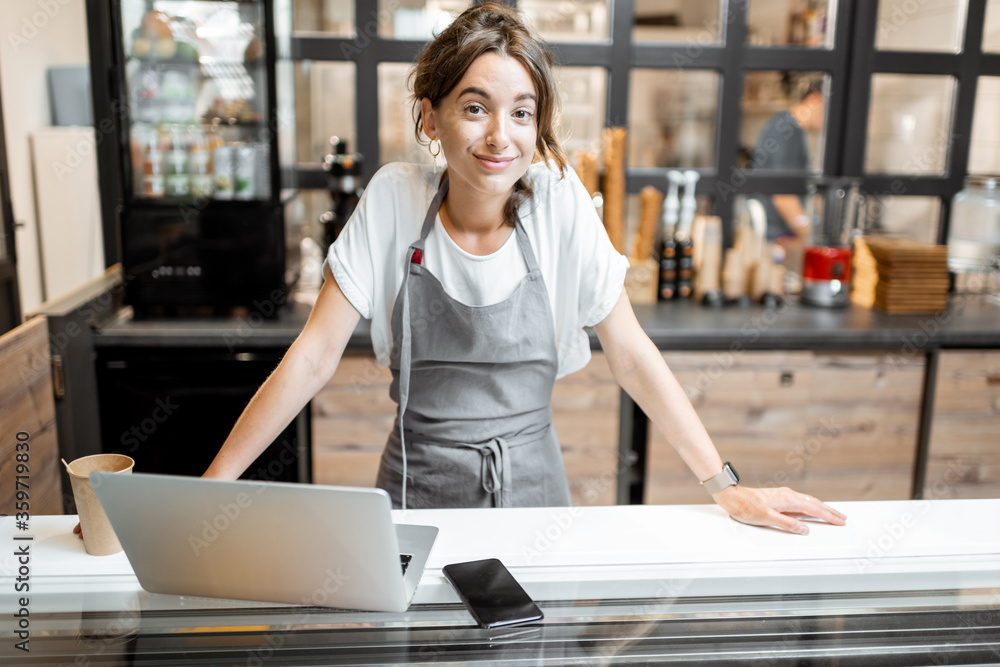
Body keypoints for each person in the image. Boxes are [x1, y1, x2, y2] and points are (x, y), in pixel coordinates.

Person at [202, 3, 846, 535]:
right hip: (414, 497)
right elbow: (312, 358)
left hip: (536, 499)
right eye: (475, 106)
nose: (499, 137)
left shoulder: (560, 201)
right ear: (432, 115)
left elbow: (631, 355)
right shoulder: (394, 198)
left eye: (521, 112)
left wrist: (725, 487)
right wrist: (203, 496)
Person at [748, 76, 825, 245]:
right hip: (775, 237)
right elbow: (783, 196)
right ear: (815, 100)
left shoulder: (790, 129)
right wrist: (810, 236)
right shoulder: (786, 130)